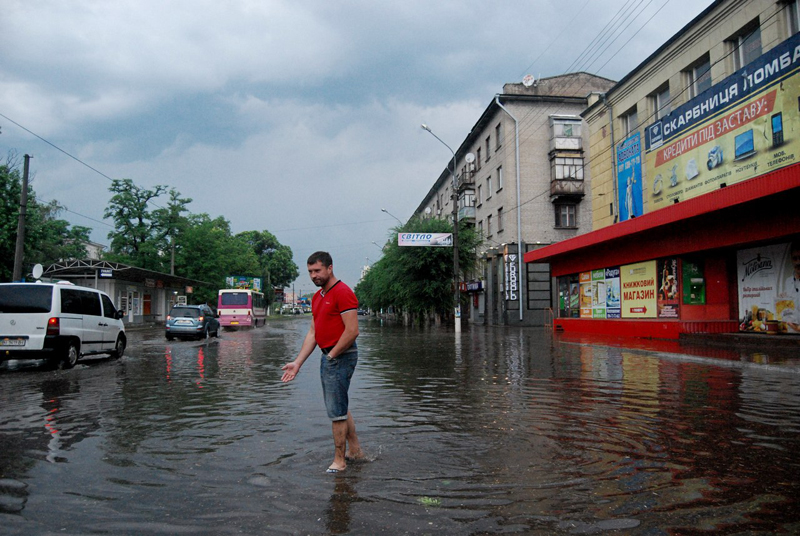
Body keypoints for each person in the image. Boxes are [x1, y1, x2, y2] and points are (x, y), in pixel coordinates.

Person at [281, 251, 364, 473]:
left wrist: (332, 355)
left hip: (341, 355)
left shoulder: (343, 292)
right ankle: (354, 450)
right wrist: (297, 363)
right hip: (330, 355)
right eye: (310, 272)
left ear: (330, 268)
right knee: (340, 404)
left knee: (336, 410)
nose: (313, 275)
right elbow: (313, 333)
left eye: (317, 270)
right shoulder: (317, 297)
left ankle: (339, 461)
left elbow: (352, 331)